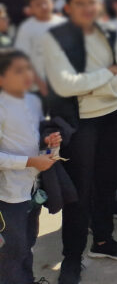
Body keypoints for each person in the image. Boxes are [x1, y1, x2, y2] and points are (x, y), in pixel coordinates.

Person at [42, 0, 117, 284]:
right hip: (79, 123)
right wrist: (109, 76)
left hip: (112, 118)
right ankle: (72, 256)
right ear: (68, 8)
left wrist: (93, 85)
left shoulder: (110, 33)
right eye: (80, 3)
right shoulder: (55, 39)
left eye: (92, 3)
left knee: (106, 183)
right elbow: (64, 85)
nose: (88, 9)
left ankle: (103, 241)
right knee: (78, 192)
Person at [0, 49, 60, 284]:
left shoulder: (32, 101)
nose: (27, 75)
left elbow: (33, 137)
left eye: (28, 68)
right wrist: (30, 162)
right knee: (10, 251)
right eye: (18, 71)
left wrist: (48, 142)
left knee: (28, 243)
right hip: (8, 197)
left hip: (32, 190)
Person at [13, 0, 66, 104]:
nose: (43, 7)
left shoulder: (63, 24)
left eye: (45, 2)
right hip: (37, 87)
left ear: (51, 3)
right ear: (30, 9)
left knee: (64, 120)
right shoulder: (26, 28)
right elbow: (23, 59)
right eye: (37, 5)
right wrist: (40, 84)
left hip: (64, 84)